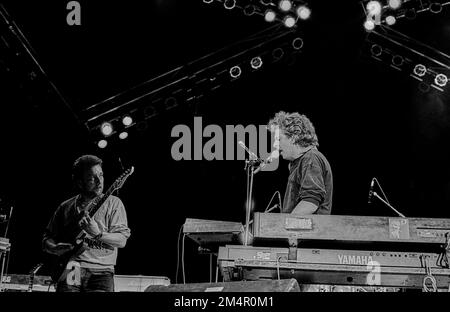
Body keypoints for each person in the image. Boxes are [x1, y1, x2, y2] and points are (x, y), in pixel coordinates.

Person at [42, 155, 131, 292]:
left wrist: (97, 234)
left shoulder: (114, 204)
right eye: (91, 178)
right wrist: (54, 248)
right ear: (79, 182)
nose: (99, 181)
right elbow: (46, 239)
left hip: (101, 273)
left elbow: (122, 241)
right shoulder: (65, 207)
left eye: (101, 175)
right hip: (73, 267)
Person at [268, 111, 333, 215]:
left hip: (308, 230)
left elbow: (310, 202)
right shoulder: (300, 162)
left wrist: (284, 227)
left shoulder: (310, 158)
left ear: (293, 137)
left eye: (278, 139)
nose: (275, 144)